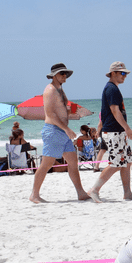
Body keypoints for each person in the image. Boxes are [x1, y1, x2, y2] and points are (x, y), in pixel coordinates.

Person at [29, 63, 90, 203]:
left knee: (73, 161)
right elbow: (50, 114)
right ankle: (34, 195)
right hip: (54, 131)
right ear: (54, 75)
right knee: (46, 164)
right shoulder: (49, 90)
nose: (65, 76)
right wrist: (67, 129)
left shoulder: (60, 89)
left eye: (65, 74)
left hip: (62, 131)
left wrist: (75, 110)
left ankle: (80, 192)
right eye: (62, 74)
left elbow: (63, 109)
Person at [87, 61, 132, 202]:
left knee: (127, 161)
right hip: (113, 132)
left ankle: (127, 193)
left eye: (126, 73)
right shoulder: (111, 89)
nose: (125, 76)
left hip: (117, 132)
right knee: (116, 163)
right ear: (113, 73)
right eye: (122, 73)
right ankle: (94, 190)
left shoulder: (114, 88)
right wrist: (127, 128)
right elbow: (115, 111)